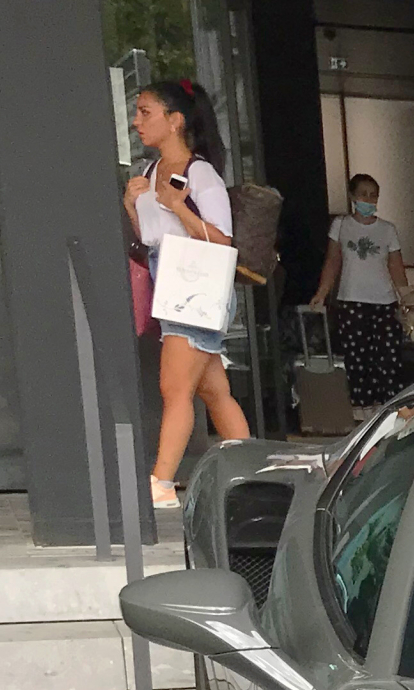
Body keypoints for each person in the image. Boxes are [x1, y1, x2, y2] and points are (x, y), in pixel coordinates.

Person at [125, 78, 249, 510]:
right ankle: (252, 472)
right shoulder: (147, 174)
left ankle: (160, 482)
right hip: (172, 284)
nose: (137, 121)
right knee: (213, 390)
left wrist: (177, 205)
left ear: (175, 121)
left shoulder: (200, 174)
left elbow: (223, 242)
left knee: (175, 387)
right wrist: (132, 207)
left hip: (196, 285)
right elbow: (151, 240)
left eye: (146, 112)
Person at [309, 173, 409, 413]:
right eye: (363, 194)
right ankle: (360, 412)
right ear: (353, 196)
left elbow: (396, 266)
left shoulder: (387, 229)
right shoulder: (341, 225)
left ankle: (387, 411)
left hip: (384, 301)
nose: (368, 199)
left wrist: (406, 298)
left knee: (388, 359)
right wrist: (322, 292)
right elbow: (333, 261)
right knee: (357, 360)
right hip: (351, 299)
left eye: (373, 195)